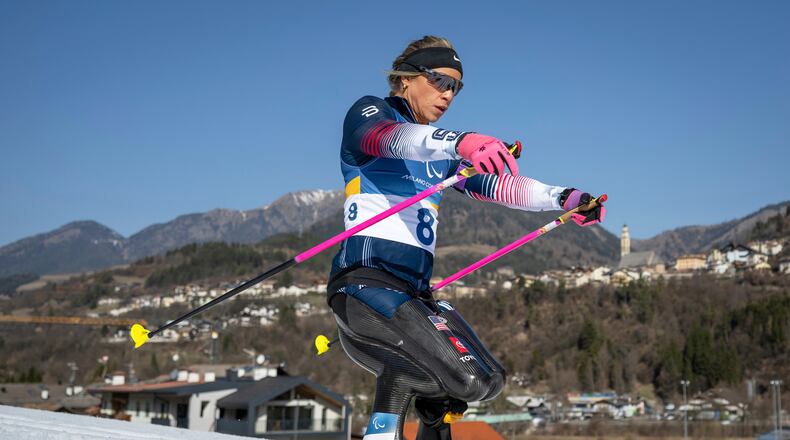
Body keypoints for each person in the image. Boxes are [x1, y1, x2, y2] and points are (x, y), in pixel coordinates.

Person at [326, 36, 604, 440]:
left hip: (413, 293)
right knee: (458, 378)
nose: (448, 94)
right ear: (407, 78)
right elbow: (391, 138)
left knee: (485, 381)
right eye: (439, 80)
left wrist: (565, 198)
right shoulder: (372, 114)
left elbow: (499, 185)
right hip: (364, 286)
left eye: (456, 87)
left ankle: (418, 425)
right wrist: (462, 141)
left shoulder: (438, 157)